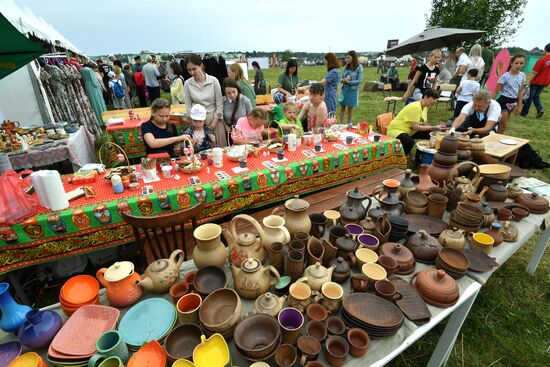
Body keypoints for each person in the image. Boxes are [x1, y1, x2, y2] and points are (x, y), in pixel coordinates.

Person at [183, 54, 225, 146]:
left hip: (214, 119)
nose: (192, 72)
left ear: (201, 66)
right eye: (189, 70)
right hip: (198, 122)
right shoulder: (187, 84)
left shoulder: (214, 81)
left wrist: (213, 124)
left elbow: (219, 104)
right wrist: (194, 122)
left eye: (194, 69)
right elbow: (188, 105)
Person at [387, 89, 442, 155]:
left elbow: (424, 125)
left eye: (436, 99)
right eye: (434, 98)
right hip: (396, 130)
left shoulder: (424, 107)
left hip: (409, 131)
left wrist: (435, 129)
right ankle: (399, 158)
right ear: (426, 97)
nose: (435, 101)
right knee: (409, 142)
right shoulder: (415, 107)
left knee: (431, 134)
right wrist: (433, 127)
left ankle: (423, 154)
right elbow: (415, 127)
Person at [492, 54, 526, 134]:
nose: (519, 65)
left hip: (513, 102)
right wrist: (490, 103)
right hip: (503, 101)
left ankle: (498, 137)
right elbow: (496, 91)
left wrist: (519, 106)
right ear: (511, 63)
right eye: (516, 63)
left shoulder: (522, 75)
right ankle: (495, 136)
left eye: (521, 63)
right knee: (503, 123)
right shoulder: (505, 76)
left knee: (504, 125)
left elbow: (521, 91)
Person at [521, 42, 550, 119]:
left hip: (536, 81)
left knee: (529, 97)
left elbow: (534, 72)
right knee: (536, 96)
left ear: (545, 50)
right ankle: (540, 109)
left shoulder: (542, 60)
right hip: (545, 82)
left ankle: (524, 113)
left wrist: (529, 82)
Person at [338, 50, 363, 125]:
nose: (347, 60)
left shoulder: (359, 67)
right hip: (344, 90)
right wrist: (344, 80)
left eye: (348, 58)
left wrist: (349, 82)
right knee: (342, 107)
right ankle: (341, 125)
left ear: (353, 57)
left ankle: (349, 124)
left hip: (353, 91)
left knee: (350, 108)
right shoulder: (346, 66)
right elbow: (341, 79)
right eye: (346, 58)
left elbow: (359, 81)